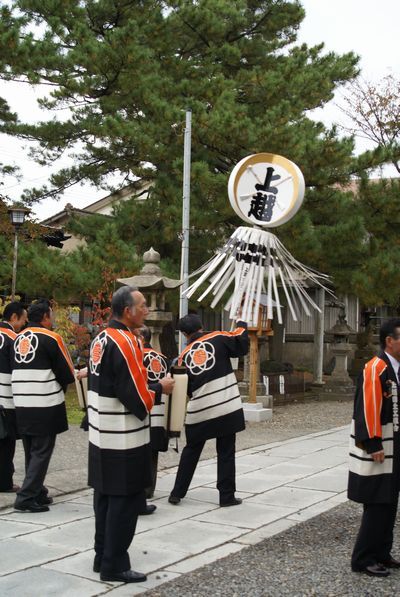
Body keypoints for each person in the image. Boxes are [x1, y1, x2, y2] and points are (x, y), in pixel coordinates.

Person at [88, 286, 174, 584]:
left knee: (105, 498)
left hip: (101, 431)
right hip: (123, 434)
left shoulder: (100, 337)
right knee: (124, 501)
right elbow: (134, 394)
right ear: (128, 311)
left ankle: (102, 556)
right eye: (142, 305)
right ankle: (115, 564)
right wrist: (159, 388)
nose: (147, 310)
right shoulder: (127, 341)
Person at [168, 313, 248, 507]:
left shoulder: (181, 358)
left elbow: (183, 389)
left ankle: (177, 493)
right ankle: (226, 496)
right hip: (225, 405)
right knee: (226, 451)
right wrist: (241, 321)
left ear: (184, 333)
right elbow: (241, 343)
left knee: (192, 450)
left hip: (200, 410)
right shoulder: (218, 338)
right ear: (201, 326)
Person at [12, 299, 75, 513]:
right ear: (46, 317)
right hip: (44, 401)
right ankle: (26, 497)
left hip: (21, 400)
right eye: (52, 315)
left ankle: (37, 490)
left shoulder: (17, 338)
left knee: (31, 449)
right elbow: (66, 372)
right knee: (42, 450)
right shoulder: (52, 338)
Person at [349, 318, 400, 577]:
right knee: (377, 501)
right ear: (389, 341)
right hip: (380, 443)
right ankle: (363, 557)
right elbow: (367, 407)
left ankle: (381, 552)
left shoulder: (397, 368)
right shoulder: (375, 367)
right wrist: (372, 442)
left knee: (390, 500)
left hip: (395, 442)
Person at [0, 302, 28, 493]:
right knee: (6, 443)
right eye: (23, 319)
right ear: (13, 318)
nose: (25, 324)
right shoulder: (14, 339)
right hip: (5, 398)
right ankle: (4, 482)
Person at [141, 325, 170, 499]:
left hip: (142, 407)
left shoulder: (135, 356)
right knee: (152, 453)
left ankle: (137, 487)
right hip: (159, 411)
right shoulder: (162, 358)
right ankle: (148, 489)